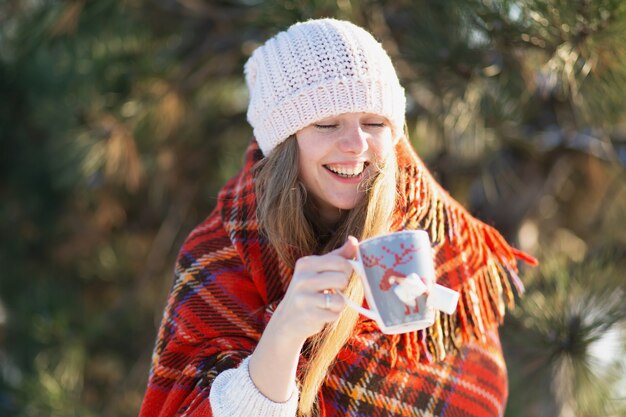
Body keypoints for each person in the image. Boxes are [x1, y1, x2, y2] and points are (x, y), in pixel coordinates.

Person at [138, 18, 537, 417]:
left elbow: (475, 395)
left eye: (374, 123)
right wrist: (284, 336)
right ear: (284, 140)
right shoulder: (223, 252)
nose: (355, 145)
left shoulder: (443, 239)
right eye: (327, 124)